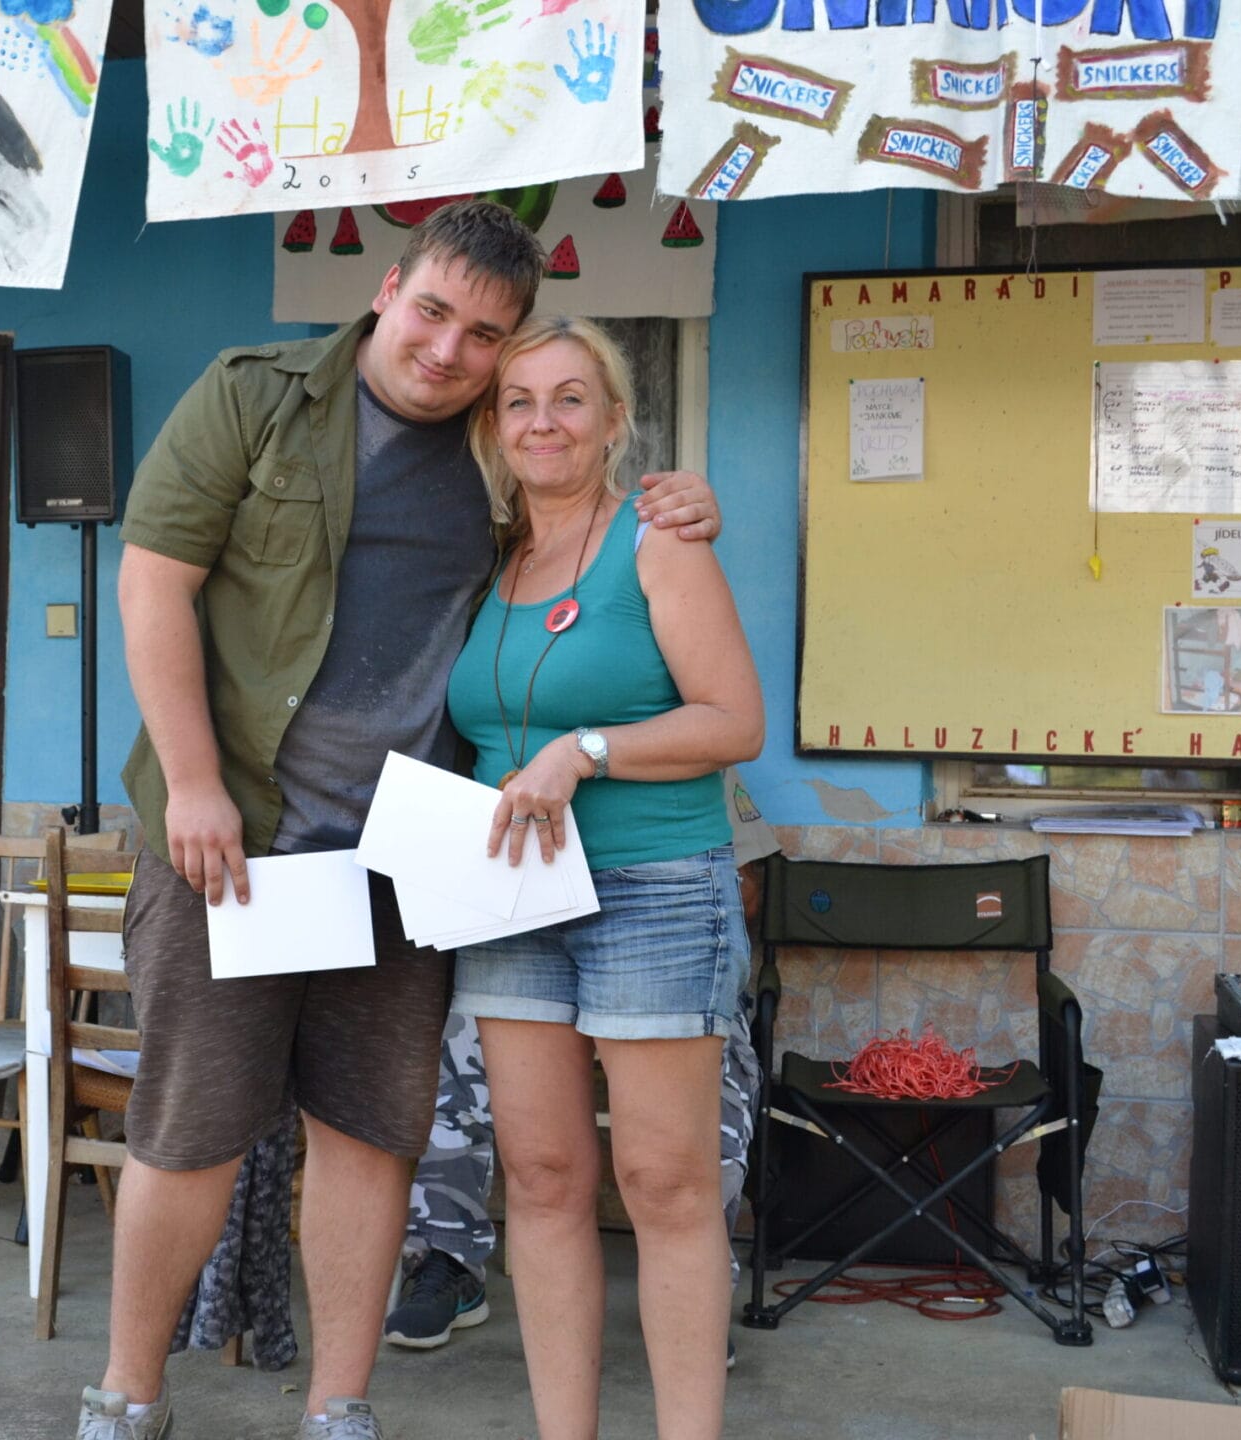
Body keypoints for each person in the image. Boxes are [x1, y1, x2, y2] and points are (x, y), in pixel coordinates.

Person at [80, 202, 723, 1440]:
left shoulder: (493, 450)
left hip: (400, 864)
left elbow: (583, 523)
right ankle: (127, 1395)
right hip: (237, 844)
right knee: (189, 1130)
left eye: (485, 336)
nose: (448, 350)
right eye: (433, 312)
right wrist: (194, 780)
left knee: (370, 1137)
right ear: (388, 289)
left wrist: (681, 503)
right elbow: (154, 579)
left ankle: (340, 1404)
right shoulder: (254, 397)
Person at [441, 315, 762, 1440]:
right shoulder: (489, 560)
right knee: (538, 1177)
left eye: (570, 398)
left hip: (653, 887)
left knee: (666, 1186)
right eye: (520, 401)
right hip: (512, 892)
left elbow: (735, 721)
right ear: (494, 426)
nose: (544, 422)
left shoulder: (657, 540)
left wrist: (584, 751)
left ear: (615, 421)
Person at [384, 771, 776, 1355]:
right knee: (459, 1043)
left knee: (721, 1070)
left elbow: (749, 891)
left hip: (658, 956)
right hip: (523, 949)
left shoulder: (681, 745)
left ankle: (695, 1288)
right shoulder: (501, 744)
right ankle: (446, 1257)